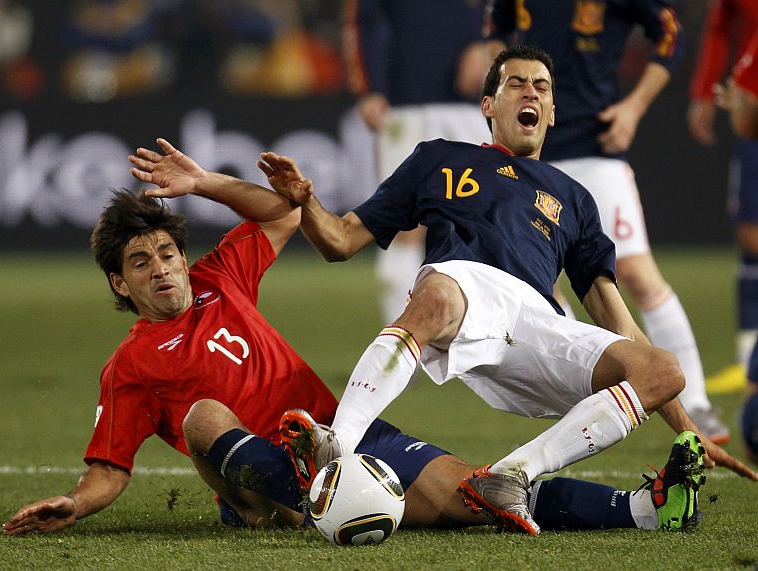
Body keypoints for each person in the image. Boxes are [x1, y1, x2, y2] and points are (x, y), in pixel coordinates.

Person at [3, 138, 708, 537]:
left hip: (339, 428)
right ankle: (297, 496)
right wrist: (75, 503)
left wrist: (204, 182)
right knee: (203, 417)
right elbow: (110, 469)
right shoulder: (128, 365)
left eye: (166, 253)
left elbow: (283, 212)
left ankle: (642, 510)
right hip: (257, 477)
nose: (161, 269)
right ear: (120, 284)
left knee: (476, 493)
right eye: (141, 263)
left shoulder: (221, 278)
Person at [264, 45, 758, 536]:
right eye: (516, 83)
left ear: (551, 111)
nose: (531, 93)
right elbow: (341, 240)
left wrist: (688, 428)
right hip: (463, 291)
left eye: (541, 87)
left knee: (663, 369)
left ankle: (511, 476)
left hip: (538, 322)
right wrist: (307, 204)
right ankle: (337, 444)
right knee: (439, 292)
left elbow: (619, 322)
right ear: (488, 105)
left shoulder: (574, 198)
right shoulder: (438, 158)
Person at [485, 0, 730, 445]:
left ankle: (695, 405)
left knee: (636, 275)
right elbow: (497, 28)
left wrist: (633, 107)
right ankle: (579, 406)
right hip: (529, 153)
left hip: (595, 147)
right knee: (540, 284)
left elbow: (670, 34)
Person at [344, 0, 492, 324]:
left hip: (476, 106)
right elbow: (362, 17)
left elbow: (516, 14)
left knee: (489, 222)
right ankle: (400, 344)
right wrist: (369, 88)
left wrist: (490, 48)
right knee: (403, 226)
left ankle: (486, 338)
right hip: (406, 104)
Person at [687, 0, 758, 394]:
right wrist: (705, 90)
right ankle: (749, 360)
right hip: (752, 102)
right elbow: (719, 25)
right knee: (751, 234)